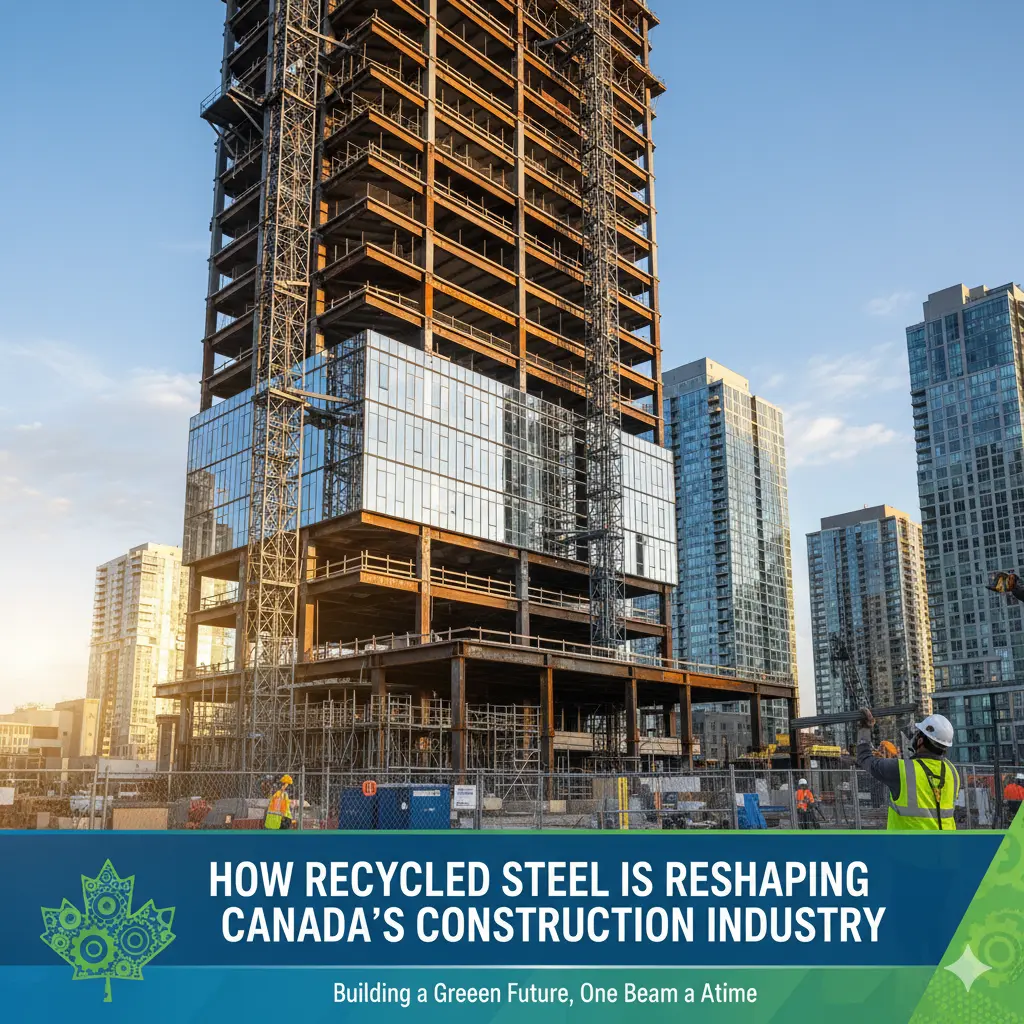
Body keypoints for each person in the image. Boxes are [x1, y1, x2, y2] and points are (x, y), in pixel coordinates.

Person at [856, 709, 959, 830]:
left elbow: (865, 759)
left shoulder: (902, 770)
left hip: (907, 847)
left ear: (920, 741)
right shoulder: (952, 772)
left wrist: (864, 728)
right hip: (945, 845)